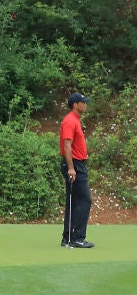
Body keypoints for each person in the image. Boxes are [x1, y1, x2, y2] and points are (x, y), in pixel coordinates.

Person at [60, 92, 94, 248]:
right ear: (75, 104)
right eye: (83, 102)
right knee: (85, 200)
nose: (85, 104)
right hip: (74, 165)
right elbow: (67, 146)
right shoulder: (70, 121)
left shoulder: (75, 120)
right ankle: (77, 238)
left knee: (74, 201)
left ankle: (68, 238)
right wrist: (72, 168)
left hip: (76, 164)